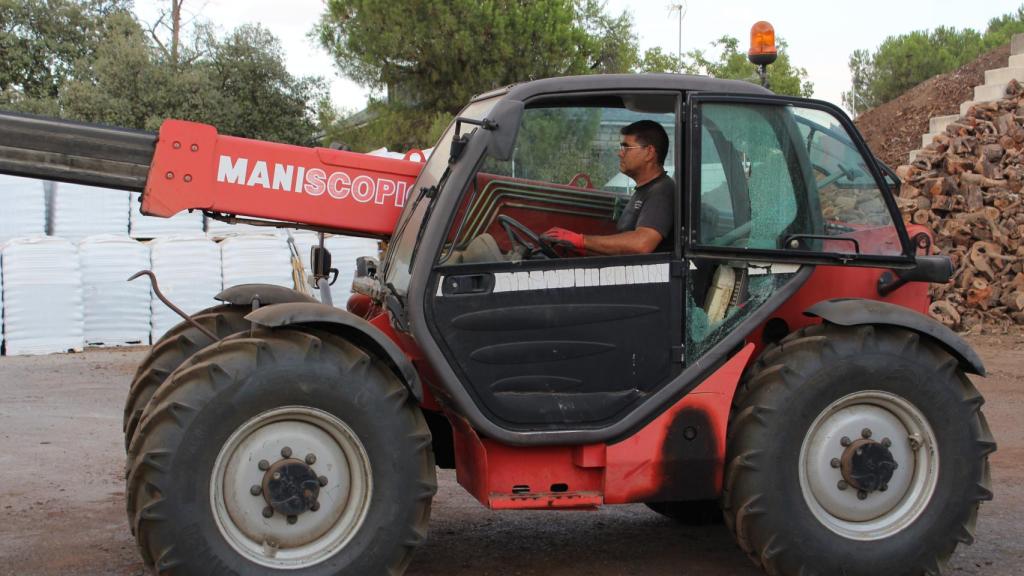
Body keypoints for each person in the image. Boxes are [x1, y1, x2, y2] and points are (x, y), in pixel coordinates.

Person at [543, 120, 674, 255]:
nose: (620, 153)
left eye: (626, 148)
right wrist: (582, 249)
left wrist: (582, 240)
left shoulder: (661, 191)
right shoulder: (644, 190)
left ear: (649, 152)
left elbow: (641, 244)